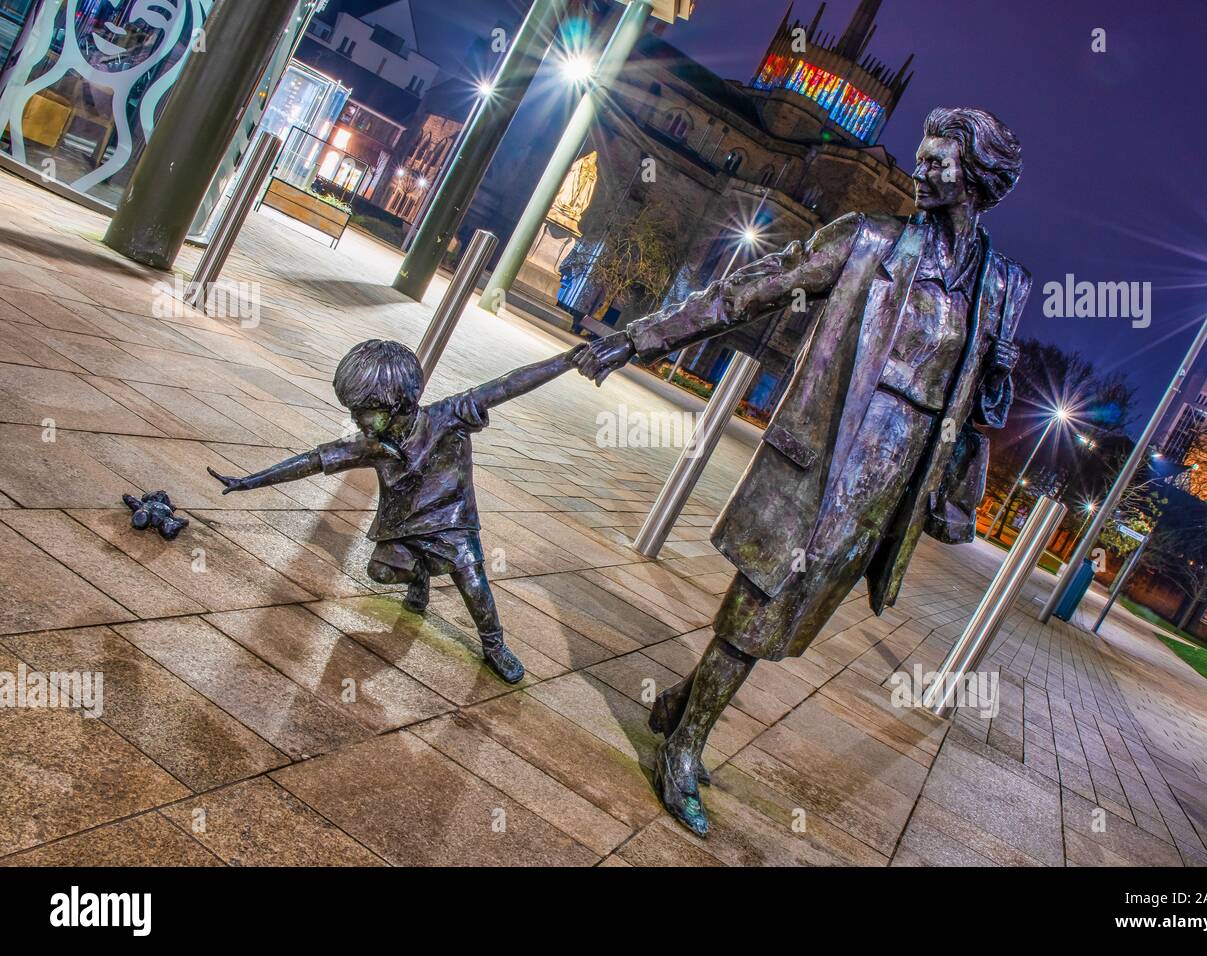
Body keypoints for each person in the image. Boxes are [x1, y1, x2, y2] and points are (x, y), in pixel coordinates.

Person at [574, 107, 1032, 835]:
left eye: (942, 160)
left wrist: (988, 402)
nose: (924, 168)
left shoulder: (1003, 288)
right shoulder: (867, 240)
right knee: (765, 597)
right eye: (923, 153)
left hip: (893, 474)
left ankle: (676, 707)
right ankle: (685, 746)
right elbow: (749, 288)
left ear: (977, 177)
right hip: (823, 455)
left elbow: (979, 403)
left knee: (789, 614)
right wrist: (639, 339)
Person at [209, 339, 578, 684]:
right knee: (381, 571)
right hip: (403, 526)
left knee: (472, 581)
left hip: (452, 521)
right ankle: (419, 577)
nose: (356, 420)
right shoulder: (369, 445)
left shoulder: (448, 416)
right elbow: (311, 462)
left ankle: (494, 644)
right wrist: (248, 481)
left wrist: (568, 360)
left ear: (396, 404)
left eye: (364, 412)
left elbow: (508, 385)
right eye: (353, 411)